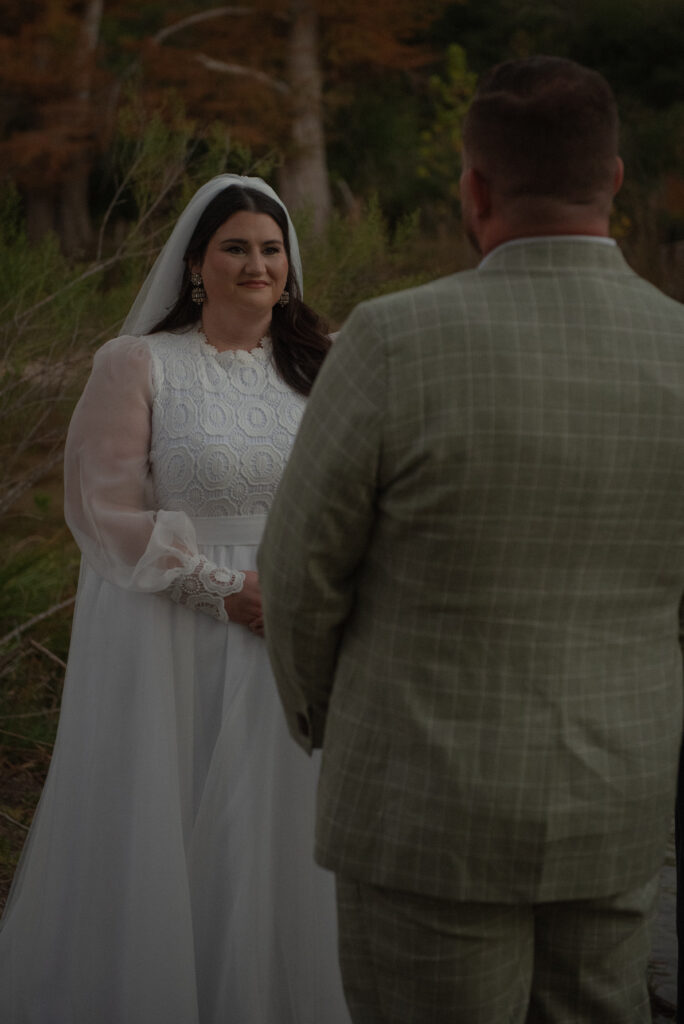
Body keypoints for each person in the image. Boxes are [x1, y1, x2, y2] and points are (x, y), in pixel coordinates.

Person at [257, 57, 684, 1024]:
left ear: (475, 186)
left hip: (422, 802)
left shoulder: (393, 341)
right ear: (613, 179)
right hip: (616, 796)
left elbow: (298, 573)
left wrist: (333, 720)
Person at [0, 174, 351, 1024]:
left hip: (302, 625)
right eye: (235, 247)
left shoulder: (326, 360)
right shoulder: (140, 363)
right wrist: (222, 589)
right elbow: (100, 507)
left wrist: (315, 593)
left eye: (271, 249)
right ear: (197, 263)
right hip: (177, 627)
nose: (256, 264)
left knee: (282, 829)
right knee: (183, 817)